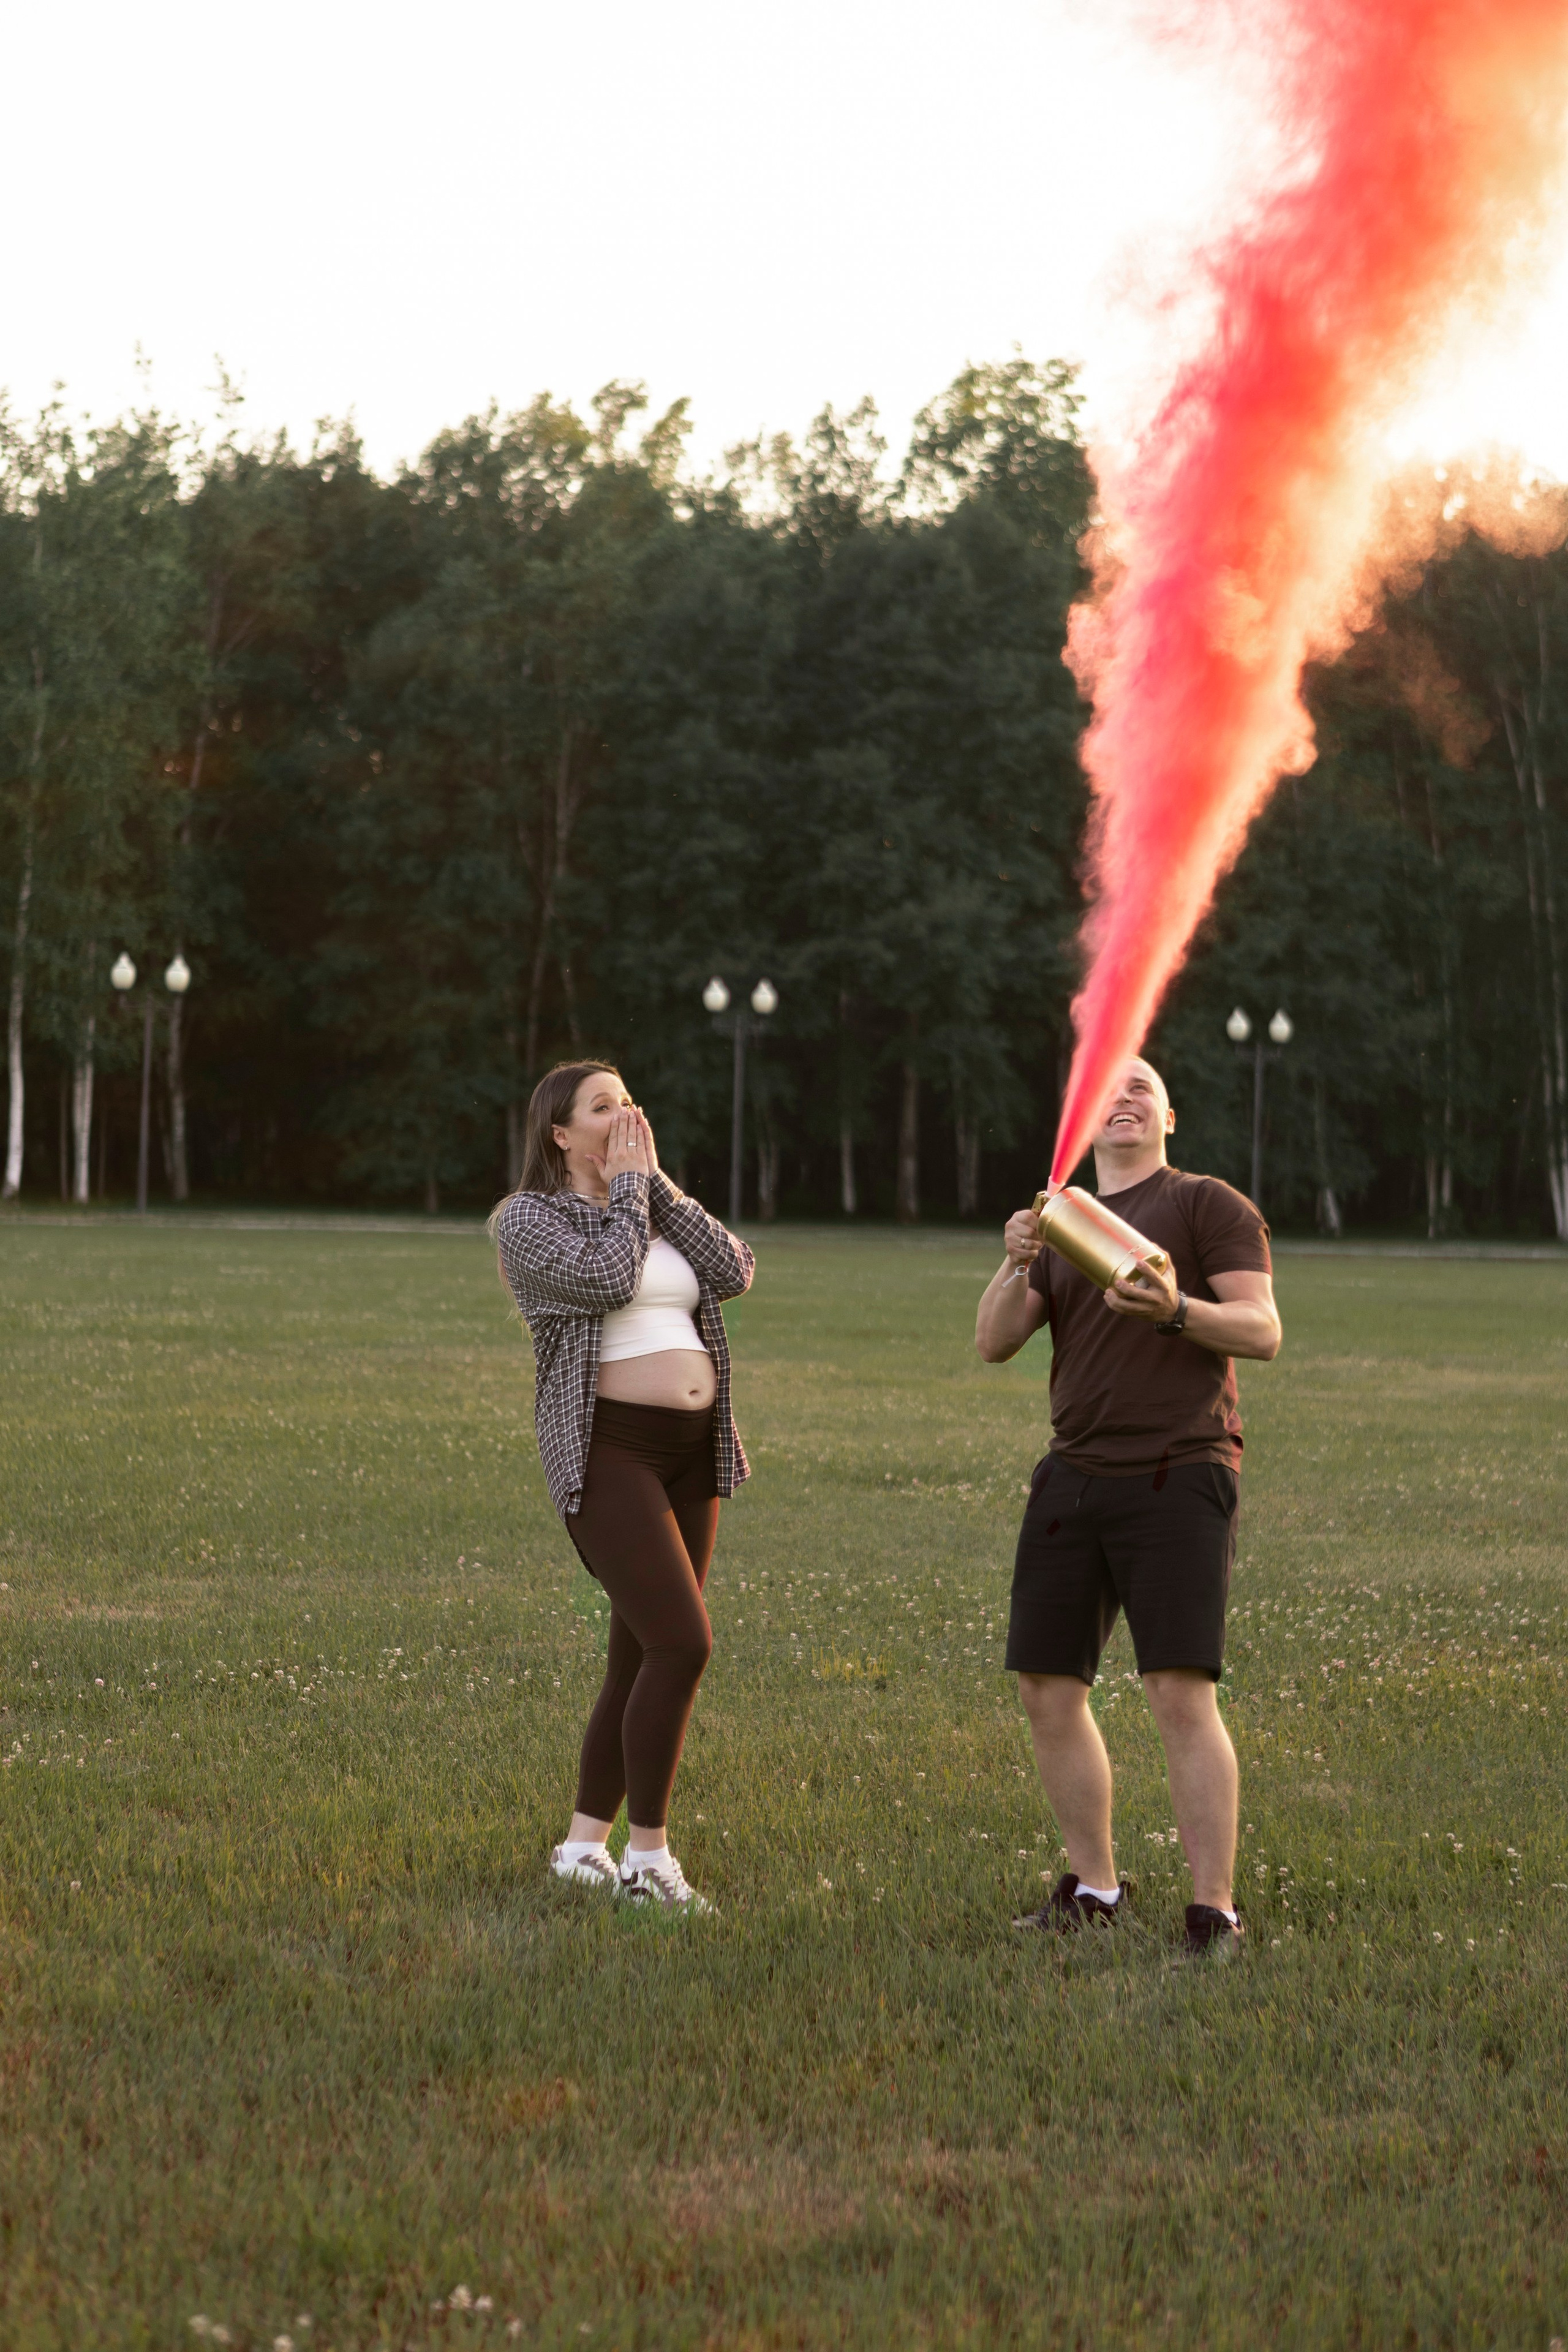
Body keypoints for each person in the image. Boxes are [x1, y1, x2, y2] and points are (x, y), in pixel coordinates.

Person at [974, 1058, 1281, 1959]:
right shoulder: (1065, 1219)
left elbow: (1261, 1330)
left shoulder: (1206, 1206)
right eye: (1107, 1087)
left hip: (1179, 1470)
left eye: (1141, 1084)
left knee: (1178, 1694)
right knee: (1047, 1688)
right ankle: (1094, 1887)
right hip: (1073, 1473)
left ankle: (1213, 1912)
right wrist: (1015, 1260)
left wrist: (1176, 1309)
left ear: (1170, 1115)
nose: (1124, 1096)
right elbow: (994, 1343)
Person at [492, 1060, 755, 1913]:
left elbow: (735, 1268)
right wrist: (632, 1190)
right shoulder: (529, 1219)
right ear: (562, 1136)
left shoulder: (653, 1203)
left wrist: (657, 1188)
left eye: (630, 1099)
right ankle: (648, 1862)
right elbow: (608, 1277)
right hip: (609, 1452)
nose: (627, 1113)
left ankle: (581, 1848)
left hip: (691, 1453)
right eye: (604, 1106)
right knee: (684, 1643)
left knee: (640, 1653)